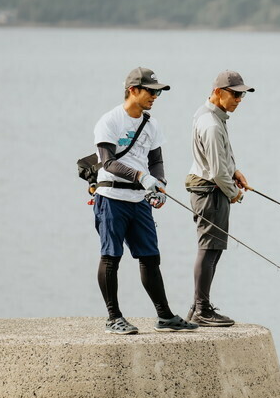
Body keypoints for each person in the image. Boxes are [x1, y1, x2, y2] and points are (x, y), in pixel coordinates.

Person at [92, 67, 198, 334]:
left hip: (139, 200)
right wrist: (141, 176)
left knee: (150, 257)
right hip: (112, 197)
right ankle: (113, 317)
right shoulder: (110, 121)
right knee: (111, 256)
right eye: (151, 91)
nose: (155, 96)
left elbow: (156, 160)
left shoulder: (151, 124)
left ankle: (165, 316)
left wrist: (159, 183)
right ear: (133, 90)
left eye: (157, 91)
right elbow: (108, 162)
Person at [185, 70, 255, 327]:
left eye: (242, 94)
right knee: (209, 248)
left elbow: (219, 159)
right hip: (210, 191)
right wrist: (234, 193)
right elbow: (215, 171)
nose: (239, 99)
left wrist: (234, 170)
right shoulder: (212, 124)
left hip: (209, 188)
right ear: (218, 92)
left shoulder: (208, 115)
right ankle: (202, 309)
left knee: (212, 248)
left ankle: (198, 307)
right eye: (235, 94)